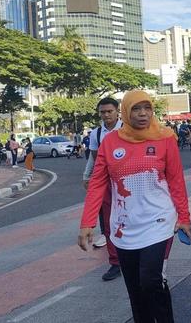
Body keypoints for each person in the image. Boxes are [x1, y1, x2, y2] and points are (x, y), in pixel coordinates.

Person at [78, 90, 191, 323]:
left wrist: (184, 217)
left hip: (159, 221)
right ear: (126, 112)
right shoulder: (110, 142)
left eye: (147, 108)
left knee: (150, 280)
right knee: (135, 289)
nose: (142, 114)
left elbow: (176, 181)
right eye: (136, 109)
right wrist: (87, 222)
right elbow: (97, 183)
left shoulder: (165, 137)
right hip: (123, 227)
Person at [83, 97, 124, 280]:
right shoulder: (96, 133)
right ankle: (115, 262)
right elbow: (94, 158)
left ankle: (132, 257)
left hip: (127, 180)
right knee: (109, 222)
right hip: (106, 182)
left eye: (110, 111)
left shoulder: (127, 128)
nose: (106, 115)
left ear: (117, 111)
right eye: (103, 112)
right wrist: (87, 176)